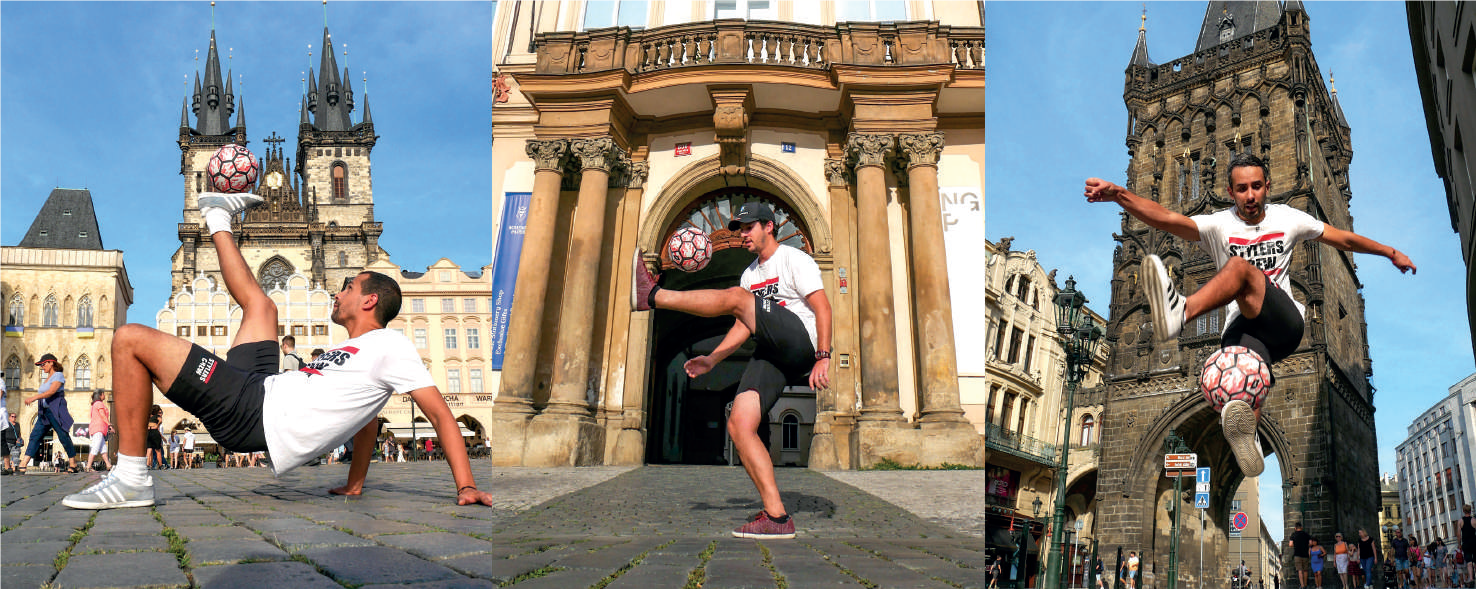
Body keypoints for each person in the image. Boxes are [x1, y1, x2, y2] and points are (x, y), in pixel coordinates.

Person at [60, 193, 496, 510]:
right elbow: (368, 421)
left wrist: (465, 485)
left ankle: (132, 477)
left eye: (348, 286)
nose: (338, 291)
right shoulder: (358, 349)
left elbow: (440, 415)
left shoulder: (391, 346)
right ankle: (218, 217)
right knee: (263, 305)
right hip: (261, 387)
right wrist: (355, 483)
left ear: (368, 302)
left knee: (129, 339)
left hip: (250, 410)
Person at [1085, 154, 1415, 476]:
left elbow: (1340, 237)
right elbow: (1165, 218)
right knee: (1241, 383)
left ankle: (1181, 310)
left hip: (1283, 323)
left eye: (1256, 186)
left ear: (1267, 186)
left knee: (1240, 269)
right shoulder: (1218, 224)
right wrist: (1118, 194)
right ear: (1231, 192)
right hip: (1242, 328)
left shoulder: (1288, 218)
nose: (1250, 195)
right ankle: (1250, 442)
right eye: (1242, 188)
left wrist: (1389, 251)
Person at [631, 202, 832, 540]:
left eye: (749, 227)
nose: (742, 234)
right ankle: (777, 516)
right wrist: (713, 359)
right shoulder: (750, 274)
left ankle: (653, 295)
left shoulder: (795, 259)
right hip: (773, 353)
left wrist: (823, 356)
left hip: (801, 341)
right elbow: (744, 324)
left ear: (769, 226)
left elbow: (823, 307)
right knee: (740, 424)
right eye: (739, 228)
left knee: (739, 298)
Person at [20, 353, 80, 474]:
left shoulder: (58, 375)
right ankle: (23, 464)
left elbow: (51, 392)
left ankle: (73, 463)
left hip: (55, 409)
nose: (42, 367)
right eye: (41, 365)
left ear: (51, 363)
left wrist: (34, 397)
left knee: (63, 436)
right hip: (44, 411)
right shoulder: (46, 378)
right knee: (35, 435)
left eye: (43, 364)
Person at [83, 391, 113, 472]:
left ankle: (108, 465)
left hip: (98, 429)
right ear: (100, 395)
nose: (104, 395)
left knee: (103, 448)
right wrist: (109, 425)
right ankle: (88, 466)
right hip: (98, 428)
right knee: (95, 447)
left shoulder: (94, 404)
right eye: (103, 394)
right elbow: (102, 415)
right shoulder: (99, 403)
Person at [1460, 505, 1476, 589]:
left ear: (1463, 511)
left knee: (1469, 562)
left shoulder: (1460, 521)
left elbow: (1458, 534)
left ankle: (1471, 578)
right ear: (1470, 511)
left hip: (1466, 543)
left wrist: (1459, 544)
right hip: (1474, 542)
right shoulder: (1474, 520)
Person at [0, 371, 12, 475]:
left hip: (0, 415)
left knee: (2, 441)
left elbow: (0, 394)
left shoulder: (0, 382)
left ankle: (8, 467)